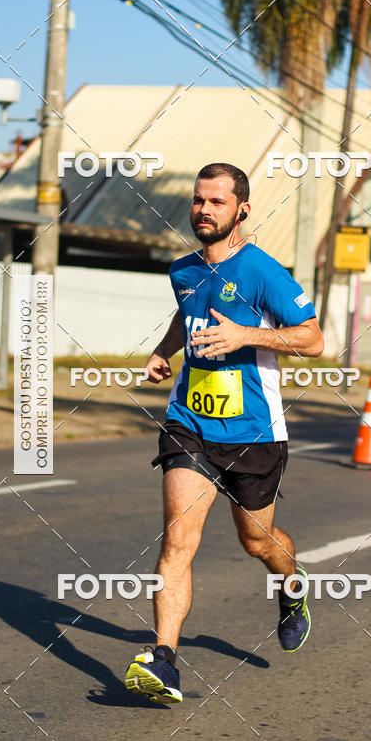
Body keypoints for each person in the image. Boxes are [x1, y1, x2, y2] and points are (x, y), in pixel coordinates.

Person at [125, 162, 324, 704]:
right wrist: (164, 351)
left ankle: (292, 588)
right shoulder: (183, 270)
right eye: (198, 200)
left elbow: (313, 338)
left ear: (242, 209)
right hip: (189, 423)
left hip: (255, 432)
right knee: (177, 541)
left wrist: (245, 334)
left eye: (216, 202)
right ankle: (164, 661)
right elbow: (186, 314)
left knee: (256, 540)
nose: (204, 210)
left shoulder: (265, 272)